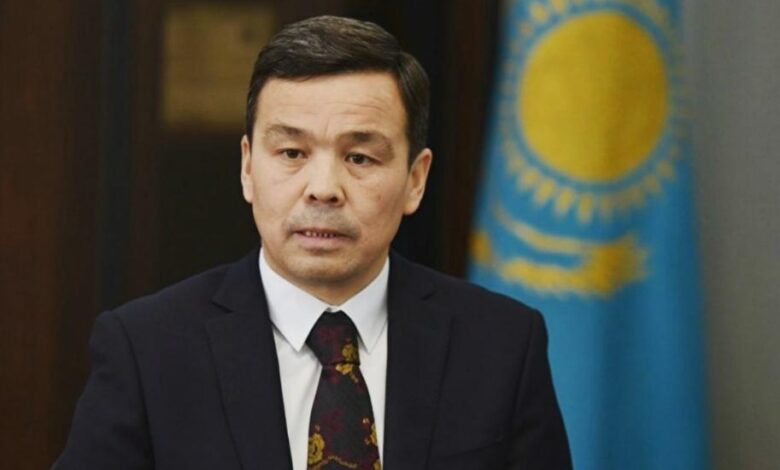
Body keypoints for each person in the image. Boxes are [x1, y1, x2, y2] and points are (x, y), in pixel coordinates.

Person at [56, 15, 571, 470]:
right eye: (292, 153)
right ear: (247, 167)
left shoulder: (501, 346)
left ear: (416, 180)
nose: (323, 188)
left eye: (359, 158)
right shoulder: (148, 350)